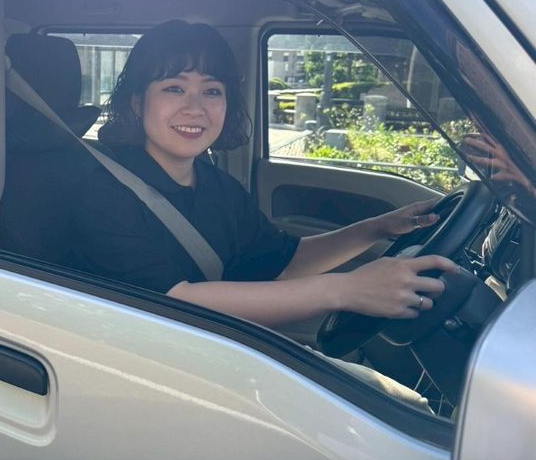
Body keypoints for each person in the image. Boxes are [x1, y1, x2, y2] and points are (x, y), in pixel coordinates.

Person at [70, 20, 456, 329]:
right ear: (137, 103)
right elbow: (173, 302)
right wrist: (346, 290)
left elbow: (282, 262)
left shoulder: (216, 185)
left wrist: (377, 228)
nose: (195, 108)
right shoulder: (104, 194)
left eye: (212, 91)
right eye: (174, 89)